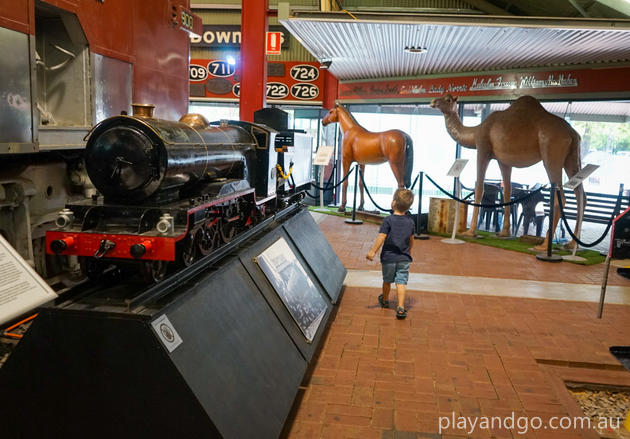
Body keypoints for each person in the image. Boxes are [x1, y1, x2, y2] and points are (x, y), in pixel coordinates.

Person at [366, 188, 415, 319]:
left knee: (387, 281)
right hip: (404, 258)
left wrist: (373, 251)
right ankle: (400, 307)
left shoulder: (388, 220)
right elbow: (411, 240)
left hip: (389, 258)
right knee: (401, 282)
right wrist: (409, 252)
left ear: (394, 203)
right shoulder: (410, 221)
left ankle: (385, 300)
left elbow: (381, 237)